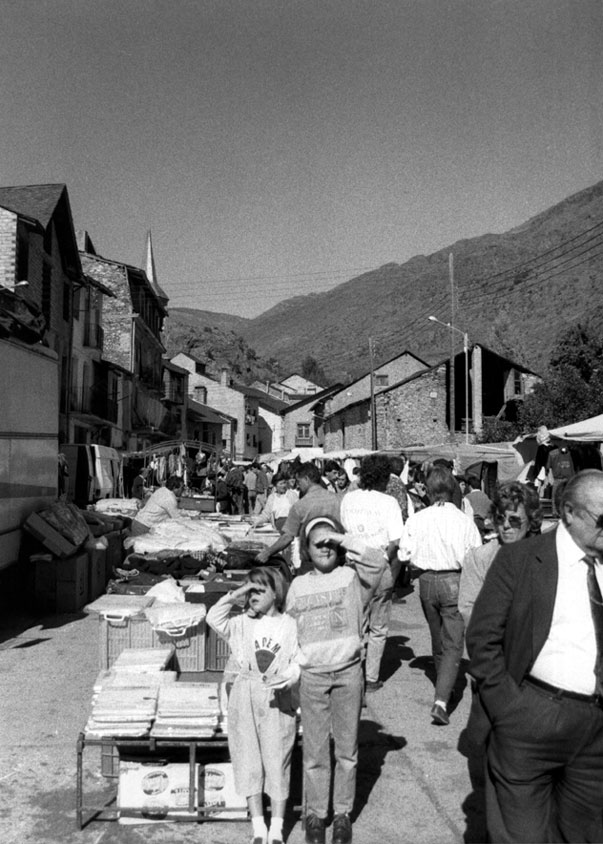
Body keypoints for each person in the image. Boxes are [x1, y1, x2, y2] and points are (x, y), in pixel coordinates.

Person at [466, 469, 603, 843]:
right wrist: (510, 709)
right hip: (532, 719)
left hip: (595, 734)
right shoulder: (522, 560)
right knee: (522, 835)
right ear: (569, 512)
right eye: (602, 520)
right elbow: (482, 638)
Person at [286, 515, 387, 844]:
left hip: (347, 673)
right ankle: (316, 815)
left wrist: (342, 538)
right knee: (315, 752)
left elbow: (378, 561)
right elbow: (288, 630)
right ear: (306, 549)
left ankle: (342, 814)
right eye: (319, 543)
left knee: (347, 750)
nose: (326, 548)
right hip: (313, 677)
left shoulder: (352, 579)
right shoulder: (298, 585)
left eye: (331, 542)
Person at [206, 567, 300, 844]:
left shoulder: (289, 625)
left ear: (276, 593)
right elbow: (213, 617)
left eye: (259, 589)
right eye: (249, 590)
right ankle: (258, 826)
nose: (253, 595)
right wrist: (236, 593)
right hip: (245, 693)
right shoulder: (241, 623)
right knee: (248, 758)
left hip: (276, 695)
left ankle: (277, 829)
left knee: (277, 757)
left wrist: (290, 676)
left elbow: (298, 658)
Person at [398, 465, 481, 725]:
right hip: (453, 580)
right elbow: (475, 556)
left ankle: (444, 685)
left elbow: (404, 554)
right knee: (454, 642)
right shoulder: (463, 521)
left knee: (438, 637)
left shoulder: (418, 519)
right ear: (453, 488)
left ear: (428, 490)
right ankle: (441, 701)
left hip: (426, 581)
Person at [340, 453, 404, 692]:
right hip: (378, 564)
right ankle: (371, 678)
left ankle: (351, 672)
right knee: (378, 627)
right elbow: (396, 540)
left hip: (353, 565)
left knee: (355, 623)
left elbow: (343, 531)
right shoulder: (389, 503)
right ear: (384, 477)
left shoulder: (349, 499)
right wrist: (385, 557)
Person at [459, 481, 542, 626]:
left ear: (530, 522)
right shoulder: (479, 558)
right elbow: (468, 609)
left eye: (514, 520)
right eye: (500, 518)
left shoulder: (546, 558)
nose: (506, 525)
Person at [256, 463, 341, 567]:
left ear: (306, 479)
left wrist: (267, 553)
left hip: (311, 562)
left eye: (299, 481)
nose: (298, 485)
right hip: (336, 559)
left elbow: (287, 537)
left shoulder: (300, 505)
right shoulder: (338, 499)